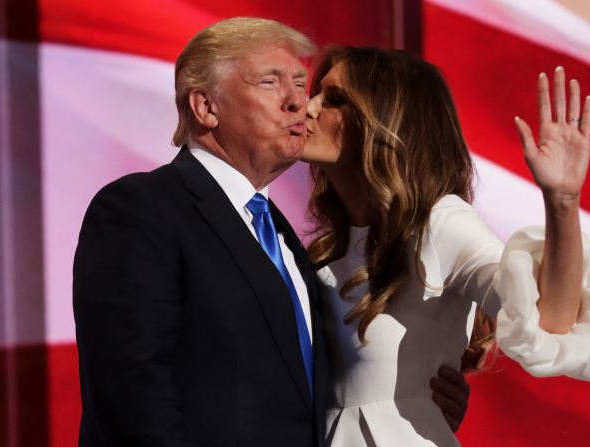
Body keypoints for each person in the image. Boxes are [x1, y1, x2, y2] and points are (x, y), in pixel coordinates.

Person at [73, 18, 469, 447]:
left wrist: (406, 399)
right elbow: (131, 394)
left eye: (301, 83)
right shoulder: (141, 208)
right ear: (206, 107)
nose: (299, 102)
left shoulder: (286, 243)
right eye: (270, 82)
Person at [302, 46, 590, 446]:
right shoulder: (318, 251)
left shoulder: (439, 224)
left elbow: (548, 320)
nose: (309, 107)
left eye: (334, 99)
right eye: (315, 93)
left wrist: (562, 201)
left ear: (385, 120)